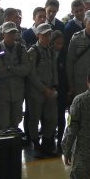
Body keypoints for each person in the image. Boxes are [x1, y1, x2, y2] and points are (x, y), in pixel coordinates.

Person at [26, 24, 58, 158]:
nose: (48, 37)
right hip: (36, 92)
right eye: (45, 35)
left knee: (53, 118)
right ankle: (36, 145)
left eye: (49, 35)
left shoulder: (50, 51)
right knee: (34, 119)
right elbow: (31, 75)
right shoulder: (33, 52)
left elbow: (54, 70)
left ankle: (45, 143)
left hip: (50, 90)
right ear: (38, 35)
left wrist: (54, 86)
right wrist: (44, 89)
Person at [0, 22, 30, 130]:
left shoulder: (21, 49)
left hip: (17, 93)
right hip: (2, 94)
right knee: (3, 123)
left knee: (15, 122)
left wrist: (9, 68)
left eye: (14, 33)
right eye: (10, 34)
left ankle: (14, 147)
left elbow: (26, 70)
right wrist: (17, 69)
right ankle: (1, 147)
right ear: (3, 34)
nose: (13, 36)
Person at [52, 31, 69, 150]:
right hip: (51, 87)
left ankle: (61, 141)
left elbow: (68, 73)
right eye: (57, 43)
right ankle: (50, 138)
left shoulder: (65, 54)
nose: (59, 46)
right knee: (50, 115)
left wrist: (68, 91)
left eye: (61, 43)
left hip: (62, 88)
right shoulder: (48, 53)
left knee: (60, 114)